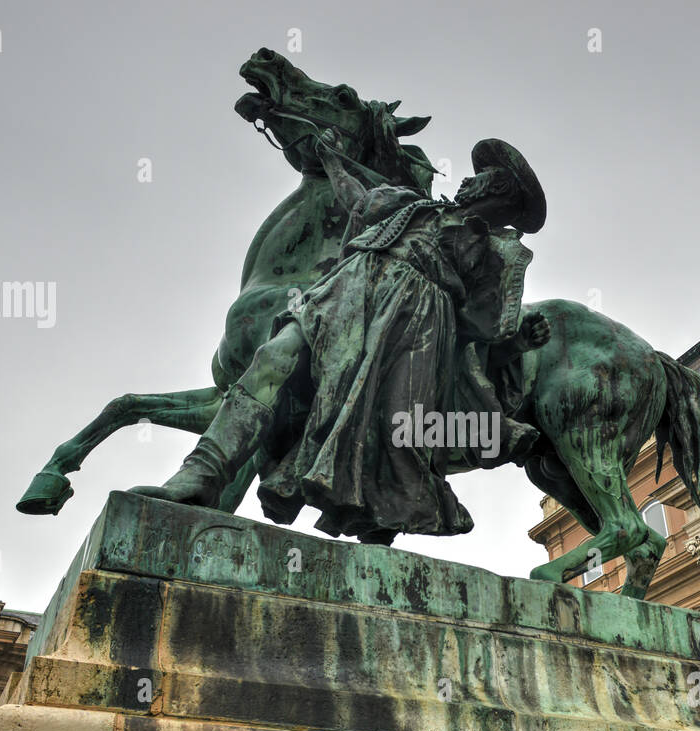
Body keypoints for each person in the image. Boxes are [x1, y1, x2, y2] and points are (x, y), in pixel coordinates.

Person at [133, 133, 549, 544]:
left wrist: (518, 344)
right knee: (273, 358)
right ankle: (200, 477)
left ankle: (377, 523)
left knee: (397, 436)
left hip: (415, 321)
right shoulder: (417, 204)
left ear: (499, 189)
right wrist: (330, 160)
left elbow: (484, 328)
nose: (465, 181)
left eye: (480, 178)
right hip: (348, 289)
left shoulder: (499, 251)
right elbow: (361, 203)